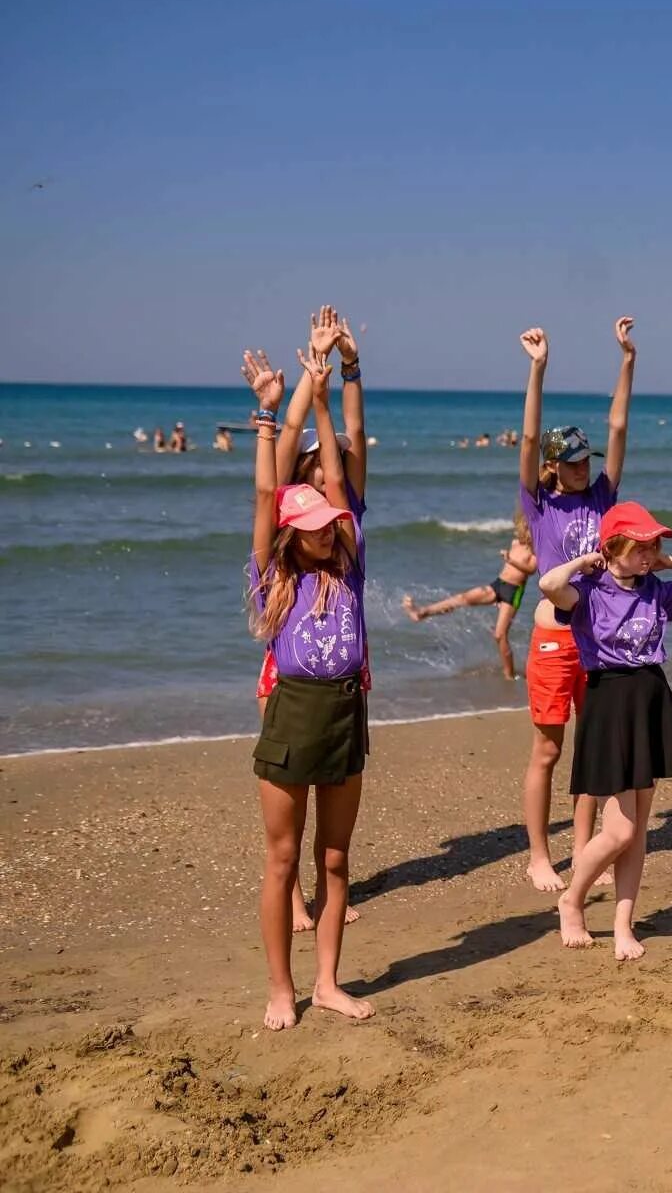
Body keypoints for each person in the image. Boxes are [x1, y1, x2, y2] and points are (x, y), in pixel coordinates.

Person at [239, 346, 373, 1031]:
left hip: (347, 711)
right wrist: (268, 412)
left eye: (330, 524)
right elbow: (266, 494)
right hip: (292, 714)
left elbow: (344, 483)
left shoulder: (348, 564)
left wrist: (324, 394)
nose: (326, 533)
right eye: (313, 528)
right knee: (284, 857)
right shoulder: (273, 576)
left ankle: (326, 983)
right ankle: (281, 988)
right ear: (291, 535)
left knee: (336, 858)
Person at [539, 503, 672, 958]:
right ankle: (571, 899)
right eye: (641, 545)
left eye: (655, 544)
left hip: (651, 698)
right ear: (612, 548)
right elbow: (549, 585)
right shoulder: (587, 592)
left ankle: (624, 924)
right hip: (609, 703)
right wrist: (584, 562)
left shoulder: (659, 591)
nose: (650, 553)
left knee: (639, 828)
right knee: (619, 832)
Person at [515, 317, 636, 893]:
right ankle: (539, 854)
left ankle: (586, 847)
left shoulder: (602, 495)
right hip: (552, 635)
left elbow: (618, 427)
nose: (584, 468)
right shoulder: (539, 504)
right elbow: (528, 435)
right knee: (547, 748)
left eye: (586, 460)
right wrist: (538, 369)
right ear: (554, 465)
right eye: (573, 462)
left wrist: (627, 361)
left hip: (601, 637)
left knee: (592, 749)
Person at [270, 306, 372, 934]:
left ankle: (317, 885)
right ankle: (294, 897)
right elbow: (284, 453)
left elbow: (347, 446)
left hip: (341, 670)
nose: (324, 469)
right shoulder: (286, 509)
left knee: (332, 795)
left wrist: (349, 370)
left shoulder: (348, 525)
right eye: (316, 465)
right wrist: (312, 384)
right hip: (287, 666)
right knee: (291, 788)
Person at [403, 513, 539, 679]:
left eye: (525, 528)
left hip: (513, 592)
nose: (521, 532)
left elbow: (531, 569)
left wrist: (511, 560)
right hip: (498, 585)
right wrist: (509, 561)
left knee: (499, 635)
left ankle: (509, 675)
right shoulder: (515, 543)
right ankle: (422, 612)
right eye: (520, 527)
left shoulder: (536, 548)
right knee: (462, 598)